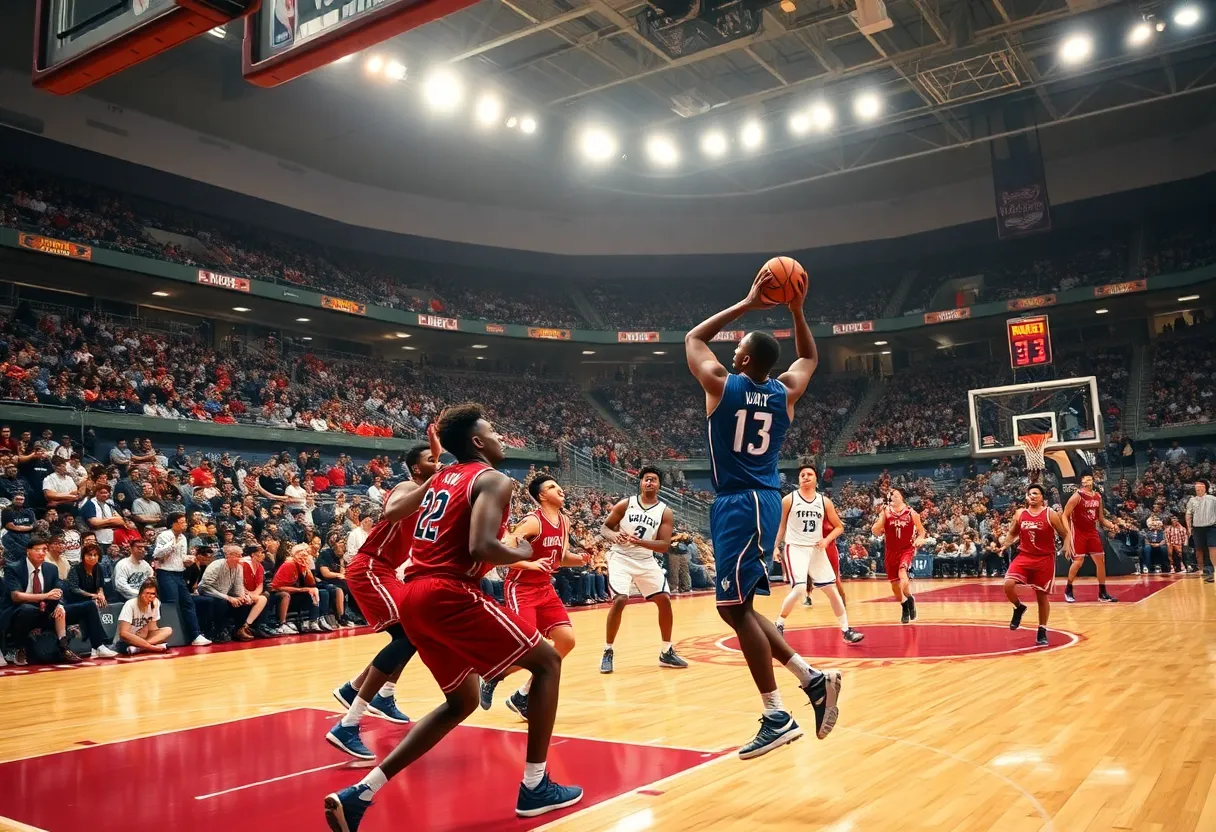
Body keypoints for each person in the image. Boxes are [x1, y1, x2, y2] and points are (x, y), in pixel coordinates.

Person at [324, 403, 581, 830]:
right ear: (478, 442)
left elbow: (391, 512)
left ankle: (360, 794)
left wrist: (436, 469)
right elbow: (482, 547)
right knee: (548, 661)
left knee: (460, 701)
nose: (502, 437)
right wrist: (522, 553)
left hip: (414, 595)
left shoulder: (441, 477)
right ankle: (536, 785)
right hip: (448, 591)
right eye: (495, 430)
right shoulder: (494, 479)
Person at [685, 268, 841, 760]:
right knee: (743, 609)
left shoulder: (720, 385)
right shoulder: (784, 393)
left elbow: (695, 337)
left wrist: (750, 302)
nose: (729, 356)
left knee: (731, 609)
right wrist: (795, 309)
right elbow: (810, 357)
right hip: (762, 501)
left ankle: (776, 714)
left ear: (745, 358)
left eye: (736, 352)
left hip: (741, 500)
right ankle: (812, 681)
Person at [328, 439, 443, 760]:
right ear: (417, 468)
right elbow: (392, 512)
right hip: (369, 567)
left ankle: (373, 692)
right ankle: (348, 722)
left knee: (415, 633)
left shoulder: (431, 498)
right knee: (409, 634)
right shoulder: (407, 486)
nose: (438, 464)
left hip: (387, 571)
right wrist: (434, 479)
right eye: (431, 460)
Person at [480, 473, 586, 716]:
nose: (559, 489)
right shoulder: (532, 522)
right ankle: (491, 674)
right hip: (521, 588)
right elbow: (502, 555)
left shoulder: (565, 522)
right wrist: (529, 565)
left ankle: (523, 696)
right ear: (541, 496)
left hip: (545, 589)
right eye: (552, 486)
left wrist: (579, 560)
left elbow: (560, 558)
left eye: (558, 485)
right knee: (530, 649)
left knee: (566, 641)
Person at [598, 467, 687, 673]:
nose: (649, 483)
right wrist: (613, 536)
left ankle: (666, 651)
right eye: (646, 479)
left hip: (645, 559)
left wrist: (640, 542)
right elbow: (605, 527)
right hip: (620, 557)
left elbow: (664, 545)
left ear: (659, 485)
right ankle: (608, 651)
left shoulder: (664, 511)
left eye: (654, 480)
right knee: (620, 599)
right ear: (640, 483)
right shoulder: (626, 504)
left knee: (664, 599)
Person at [774, 466, 863, 643]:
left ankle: (846, 630)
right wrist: (776, 547)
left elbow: (839, 527)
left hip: (817, 550)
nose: (805, 477)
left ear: (816, 479)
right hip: (796, 548)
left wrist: (826, 540)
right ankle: (779, 624)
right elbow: (781, 526)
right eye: (802, 475)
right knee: (800, 588)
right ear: (799, 479)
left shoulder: (824, 502)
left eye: (809, 474)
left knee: (832, 590)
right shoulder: (788, 500)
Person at [1001, 484, 1073, 647]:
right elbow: (1013, 532)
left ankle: (1042, 630)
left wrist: (1066, 545)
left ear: (1042, 497)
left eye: (1035, 493)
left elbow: (1064, 533)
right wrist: (1004, 545)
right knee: (1008, 584)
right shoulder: (1020, 513)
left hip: (1044, 558)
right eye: (1029, 493)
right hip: (1025, 555)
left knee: (1041, 596)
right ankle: (1019, 608)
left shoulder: (1050, 514)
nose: (1032, 496)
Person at [0, 534, 83, 665]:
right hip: (17, 611)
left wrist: (59, 604)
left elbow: (57, 590)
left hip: (44, 609)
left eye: (44, 549)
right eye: (37, 549)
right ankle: (18, 648)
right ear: (28, 551)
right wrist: (46, 596)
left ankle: (64, 646)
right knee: (27, 609)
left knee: (85, 606)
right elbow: (16, 597)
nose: (41, 553)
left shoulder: (51, 568)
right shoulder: (14, 568)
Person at [153, 512, 211, 646]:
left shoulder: (184, 538)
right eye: (182, 522)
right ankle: (170, 638)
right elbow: (157, 554)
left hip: (179, 574)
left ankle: (195, 635)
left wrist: (187, 560)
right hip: (165, 573)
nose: (185, 524)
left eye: (185, 522)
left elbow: (180, 557)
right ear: (173, 523)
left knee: (188, 603)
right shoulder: (164, 535)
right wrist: (171, 544)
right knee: (171, 604)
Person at [872, 488, 927, 624]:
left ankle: (908, 596)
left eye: (895, 494)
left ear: (901, 496)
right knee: (895, 586)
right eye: (890, 495)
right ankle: (905, 603)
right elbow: (875, 531)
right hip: (890, 551)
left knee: (903, 572)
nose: (892, 496)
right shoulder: (885, 512)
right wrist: (880, 517)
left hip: (906, 549)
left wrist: (920, 539)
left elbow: (921, 532)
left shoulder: (911, 513)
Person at [1062, 474, 1118, 603]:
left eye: (1089, 478)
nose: (1087, 481)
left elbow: (1101, 518)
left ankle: (1102, 593)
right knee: (1078, 561)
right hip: (1078, 531)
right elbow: (1065, 515)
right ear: (1081, 482)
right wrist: (1068, 533)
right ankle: (1068, 589)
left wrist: (1112, 525)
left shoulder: (1098, 496)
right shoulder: (1077, 496)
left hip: (1092, 531)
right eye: (1084, 479)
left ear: (1093, 480)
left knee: (1100, 560)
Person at [200, 544, 268, 641]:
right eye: (237, 555)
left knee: (242, 602)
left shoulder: (239, 568)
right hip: (209, 593)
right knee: (221, 602)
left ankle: (239, 630)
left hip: (225, 594)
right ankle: (218, 631)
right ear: (228, 555)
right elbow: (205, 587)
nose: (240, 558)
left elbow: (238, 587)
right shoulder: (216, 565)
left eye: (241, 555)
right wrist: (228, 598)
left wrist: (243, 597)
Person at [115, 579, 172, 654]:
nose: (150, 596)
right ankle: (149, 647)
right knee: (126, 635)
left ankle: (140, 648)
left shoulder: (156, 603)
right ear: (141, 593)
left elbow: (153, 629)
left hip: (143, 638)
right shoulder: (130, 604)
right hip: (128, 640)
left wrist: (146, 629)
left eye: (152, 594)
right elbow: (123, 633)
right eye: (147, 593)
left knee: (168, 630)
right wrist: (151, 647)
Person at [1186, 479, 1216, 583]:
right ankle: (1204, 570)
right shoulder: (1192, 500)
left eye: (1200, 485)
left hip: (1211, 527)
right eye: (1196, 485)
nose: (1197, 487)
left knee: (1212, 547)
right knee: (1200, 549)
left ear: (1205, 487)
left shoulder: (1212, 499)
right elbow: (1188, 514)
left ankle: (1213, 570)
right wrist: (1189, 527)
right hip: (1197, 528)